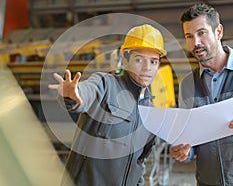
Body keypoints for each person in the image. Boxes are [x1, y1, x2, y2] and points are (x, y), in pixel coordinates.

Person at [48, 24, 167, 186]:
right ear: (125, 60)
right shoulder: (106, 85)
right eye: (139, 59)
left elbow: (139, 163)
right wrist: (72, 95)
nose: (147, 68)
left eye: (153, 61)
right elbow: (86, 93)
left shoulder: (150, 112)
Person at [169, 3, 233, 185]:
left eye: (201, 33)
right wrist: (183, 151)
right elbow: (189, 139)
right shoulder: (187, 85)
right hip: (208, 181)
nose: (195, 43)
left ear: (219, 31)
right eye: (189, 36)